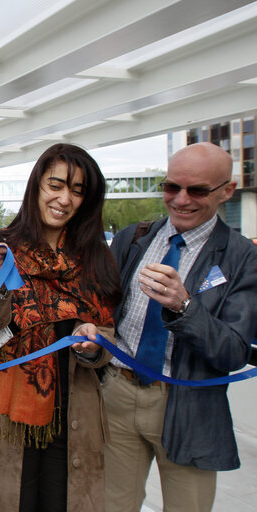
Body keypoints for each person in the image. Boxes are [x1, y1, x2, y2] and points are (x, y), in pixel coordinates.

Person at [0, 143, 122, 512]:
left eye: (78, 191)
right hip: (6, 413)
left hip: (74, 412)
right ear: (36, 186)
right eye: (56, 185)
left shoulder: (95, 256)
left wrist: (95, 344)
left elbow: (107, 334)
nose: (64, 198)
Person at [104, 142, 257, 512]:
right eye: (172, 187)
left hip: (189, 406)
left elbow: (234, 351)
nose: (181, 199)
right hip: (117, 398)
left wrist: (183, 306)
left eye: (197, 190)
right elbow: (100, 309)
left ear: (227, 191)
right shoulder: (133, 238)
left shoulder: (241, 257)